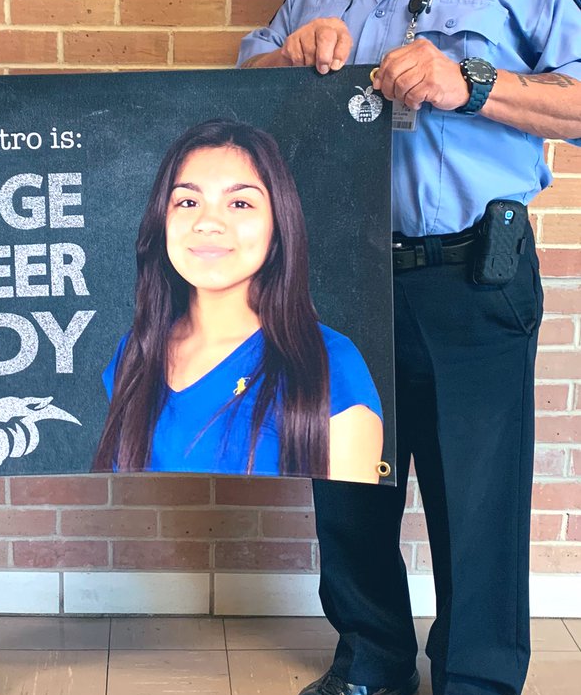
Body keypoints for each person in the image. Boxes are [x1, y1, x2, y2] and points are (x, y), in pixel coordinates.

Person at [239, 0, 581, 695]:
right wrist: (284, 57)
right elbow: (242, 88)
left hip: (471, 272)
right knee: (349, 480)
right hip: (337, 271)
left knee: (476, 496)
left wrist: (472, 82)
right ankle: (372, 658)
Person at [92, 120, 384, 482]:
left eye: (240, 203)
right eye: (187, 201)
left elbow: (346, 532)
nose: (208, 222)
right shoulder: (136, 352)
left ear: (277, 225)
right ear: (161, 220)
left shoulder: (329, 363)